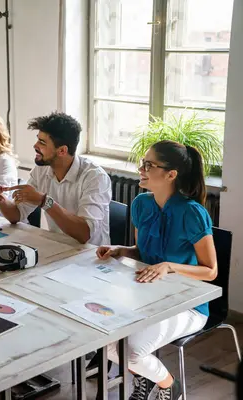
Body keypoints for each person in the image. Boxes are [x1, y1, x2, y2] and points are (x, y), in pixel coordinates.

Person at [97, 140, 217, 400]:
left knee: (129, 351)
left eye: (149, 165)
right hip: (147, 294)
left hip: (188, 304)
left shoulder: (193, 213)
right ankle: (146, 377)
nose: (141, 168)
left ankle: (168, 386)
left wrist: (169, 267)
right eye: (143, 162)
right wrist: (121, 250)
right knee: (102, 337)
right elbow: (142, 251)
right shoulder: (142, 204)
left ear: (171, 174)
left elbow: (210, 271)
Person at [0, 111, 111, 245]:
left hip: (90, 256)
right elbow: (17, 215)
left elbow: (85, 234)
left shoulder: (95, 177)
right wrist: (0, 199)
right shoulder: (41, 170)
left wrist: (44, 202)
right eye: (37, 139)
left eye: (42, 142)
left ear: (62, 151)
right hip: (57, 248)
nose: (35, 146)